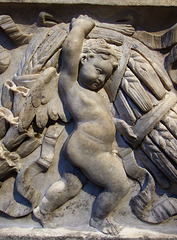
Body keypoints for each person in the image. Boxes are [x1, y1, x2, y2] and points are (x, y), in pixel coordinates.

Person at [34, 15, 130, 235]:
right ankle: (98, 219)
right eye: (98, 70)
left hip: (92, 149)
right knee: (119, 186)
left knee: (71, 186)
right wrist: (79, 28)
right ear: (84, 58)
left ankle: (43, 209)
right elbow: (70, 53)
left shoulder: (98, 94)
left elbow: (104, 120)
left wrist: (116, 138)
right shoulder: (71, 86)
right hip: (88, 149)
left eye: (105, 76)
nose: (100, 78)